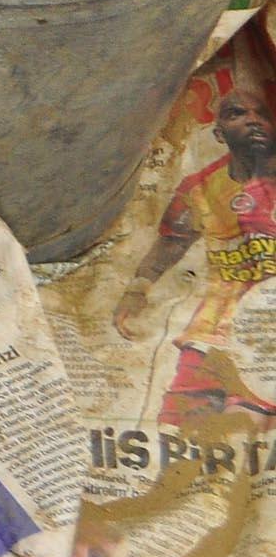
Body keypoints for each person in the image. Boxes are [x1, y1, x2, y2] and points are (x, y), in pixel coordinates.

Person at [114, 87, 276, 421]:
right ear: (219, 133)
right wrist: (136, 291)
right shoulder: (199, 188)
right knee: (176, 419)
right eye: (238, 114)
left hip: (266, 330)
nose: (254, 121)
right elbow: (171, 243)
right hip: (215, 328)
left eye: (261, 114)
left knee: (252, 422)